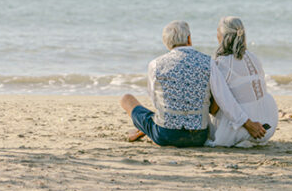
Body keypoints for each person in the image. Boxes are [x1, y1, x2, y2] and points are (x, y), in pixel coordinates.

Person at [118, 20, 213, 147]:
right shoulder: (208, 62)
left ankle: (142, 131)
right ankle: (142, 131)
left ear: (166, 43)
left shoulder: (156, 64)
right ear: (189, 39)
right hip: (198, 136)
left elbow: (155, 101)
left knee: (126, 99)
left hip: (165, 135)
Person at [206, 15, 275, 147]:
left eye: (217, 32)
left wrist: (249, 125)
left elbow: (217, 106)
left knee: (213, 107)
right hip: (267, 126)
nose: (216, 36)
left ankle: (242, 135)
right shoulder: (253, 57)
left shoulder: (221, 63)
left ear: (223, 36)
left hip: (248, 128)